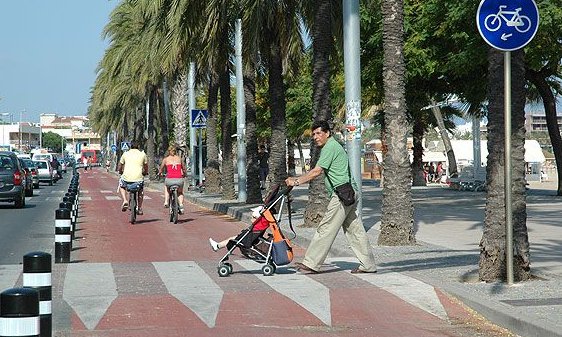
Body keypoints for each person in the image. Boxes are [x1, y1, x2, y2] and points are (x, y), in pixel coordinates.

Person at [285, 120, 377, 274]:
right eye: (313, 134)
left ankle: (312, 263)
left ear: (327, 133)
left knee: (326, 228)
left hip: (342, 194)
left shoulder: (330, 147)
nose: (315, 137)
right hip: (350, 192)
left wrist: (295, 181)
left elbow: (316, 171)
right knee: (355, 231)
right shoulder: (333, 146)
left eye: (319, 133)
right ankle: (368, 265)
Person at [117, 141, 148, 215]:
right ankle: (140, 208)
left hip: (126, 178)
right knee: (140, 190)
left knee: (121, 186)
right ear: (138, 146)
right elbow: (146, 166)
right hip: (138, 178)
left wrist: (120, 171)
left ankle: (125, 200)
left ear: (130, 146)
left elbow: (120, 165)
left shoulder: (125, 154)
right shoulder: (142, 154)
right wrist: (145, 172)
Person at [158, 145, 186, 214]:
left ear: (169, 151)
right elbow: (184, 169)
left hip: (169, 179)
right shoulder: (179, 159)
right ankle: (181, 204)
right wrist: (184, 174)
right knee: (180, 192)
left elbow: (161, 169)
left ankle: (166, 201)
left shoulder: (166, 159)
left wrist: (160, 174)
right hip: (179, 179)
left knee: (166, 187)